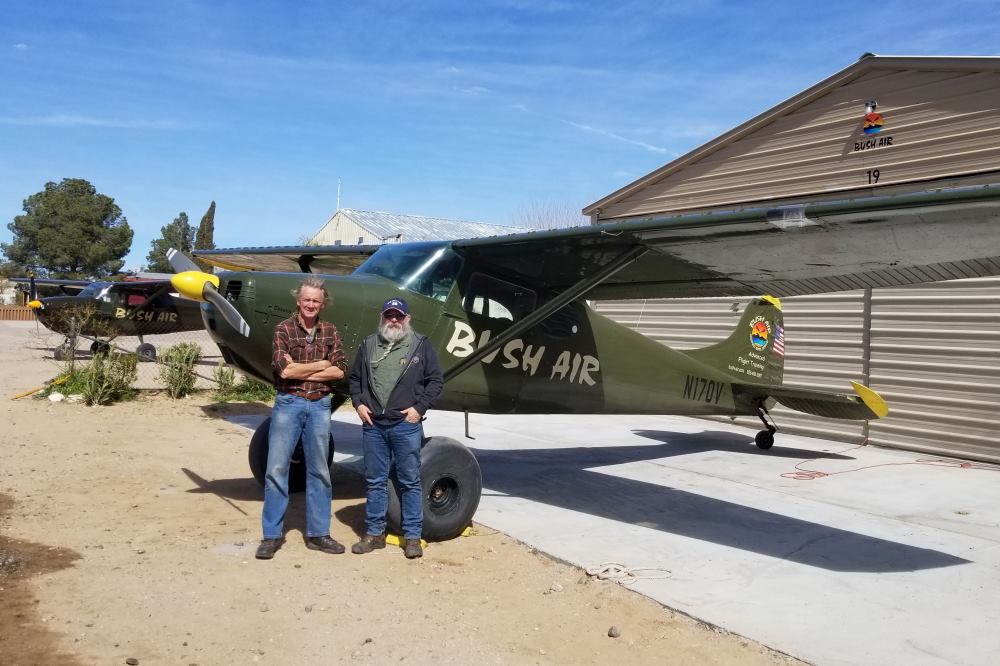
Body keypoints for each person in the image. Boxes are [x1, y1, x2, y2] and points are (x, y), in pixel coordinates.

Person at [255, 277, 347, 560]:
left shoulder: (331, 331)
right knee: (276, 469)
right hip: (288, 403)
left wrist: (304, 369)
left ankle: (318, 533)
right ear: (298, 300)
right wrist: (322, 365)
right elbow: (285, 371)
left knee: (319, 470)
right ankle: (271, 535)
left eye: (316, 301)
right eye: (306, 299)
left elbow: (341, 369)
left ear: (323, 303)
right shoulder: (283, 329)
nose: (310, 304)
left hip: (319, 405)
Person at [349, 297, 443, 559]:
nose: (393, 320)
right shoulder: (368, 345)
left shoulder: (421, 346)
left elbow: (435, 381)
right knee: (375, 481)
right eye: (389, 315)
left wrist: (419, 409)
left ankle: (412, 536)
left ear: (407, 319)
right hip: (374, 426)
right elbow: (355, 378)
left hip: (405, 425)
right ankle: (375, 534)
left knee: (410, 481)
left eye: (399, 316)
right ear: (382, 317)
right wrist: (358, 403)